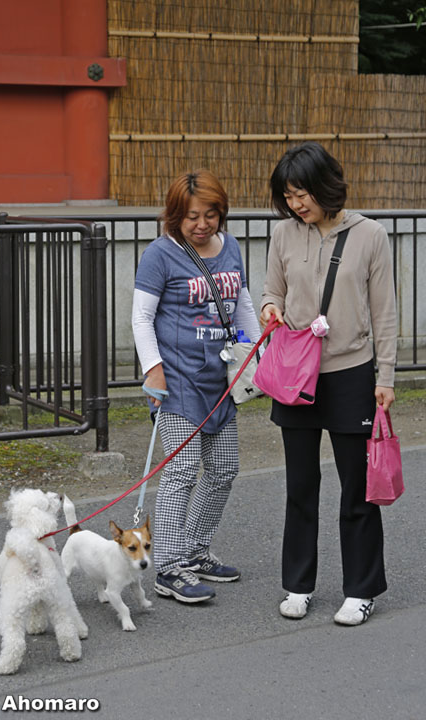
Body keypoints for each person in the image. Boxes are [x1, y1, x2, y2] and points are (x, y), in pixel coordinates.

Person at [260, 142, 397, 626]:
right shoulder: (283, 233)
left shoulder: (370, 235)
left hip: (350, 372)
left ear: (325, 186)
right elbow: (272, 290)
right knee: (300, 486)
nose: (296, 204)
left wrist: (385, 376)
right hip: (295, 372)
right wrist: (270, 308)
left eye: (302, 194)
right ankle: (298, 585)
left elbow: (384, 312)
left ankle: (361, 589)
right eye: (288, 196)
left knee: (356, 488)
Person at [132, 169, 262, 604]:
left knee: (224, 469)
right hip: (178, 382)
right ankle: (168, 567)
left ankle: (194, 549)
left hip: (220, 380)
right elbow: (141, 318)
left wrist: (257, 353)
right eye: (191, 216)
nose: (202, 224)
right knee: (183, 470)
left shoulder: (232, 248)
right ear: (175, 216)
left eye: (210, 214)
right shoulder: (159, 254)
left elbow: (242, 304)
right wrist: (153, 370)